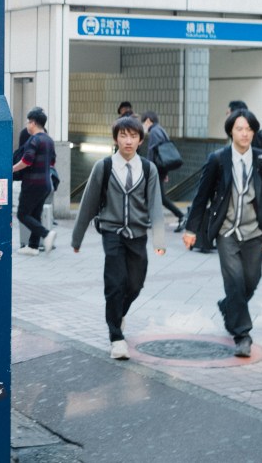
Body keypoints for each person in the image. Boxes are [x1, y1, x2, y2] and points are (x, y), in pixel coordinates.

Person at [183, 108, 262, 358]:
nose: (245, 133)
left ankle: (228, 306)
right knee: (234, 281)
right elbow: (201, 195)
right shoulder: (218, 159)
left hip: (254, 232)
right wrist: (191, 229)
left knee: (252, 279)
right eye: (240, 128)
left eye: (249, 129)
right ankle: (242, 334)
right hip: (226, 231)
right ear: (230, 132)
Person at [71, 116, 165, 360]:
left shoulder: (148, 169)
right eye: (123, 135)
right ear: (115, 139)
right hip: (111, 233)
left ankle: (119, 314)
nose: (128, 141)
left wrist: (159, 240)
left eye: (133, 136)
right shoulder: (104, 167)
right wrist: (77, 238)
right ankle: (116, 337)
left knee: (135, 284)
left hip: (138, 234)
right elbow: (88, 202)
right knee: (115, 283)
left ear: (140, 140)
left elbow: (155, 205)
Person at [12, 107, 56, 256]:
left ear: (34, 123)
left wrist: (11, 169)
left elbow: (27, 160)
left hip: (32, 183)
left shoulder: (34, 139)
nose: (27, 125)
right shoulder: (49, 140)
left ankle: (46, 234)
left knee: (22, 214)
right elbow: (52, 162)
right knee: (36, 214)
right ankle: (33, 246)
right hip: (46, 184)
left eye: (28, 122)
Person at [140, 111, 188, 233]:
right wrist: (165, 172)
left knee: (157, 196)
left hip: (155, 170)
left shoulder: (154, 132)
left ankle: (181, 216)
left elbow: (152, 153)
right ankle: (150, 219)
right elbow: (164, 153)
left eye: (143, 122)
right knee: (154, 195)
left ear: (148, 121)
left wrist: (148, 170)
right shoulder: (160, 130)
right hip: (160, 169)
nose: (143, 126)